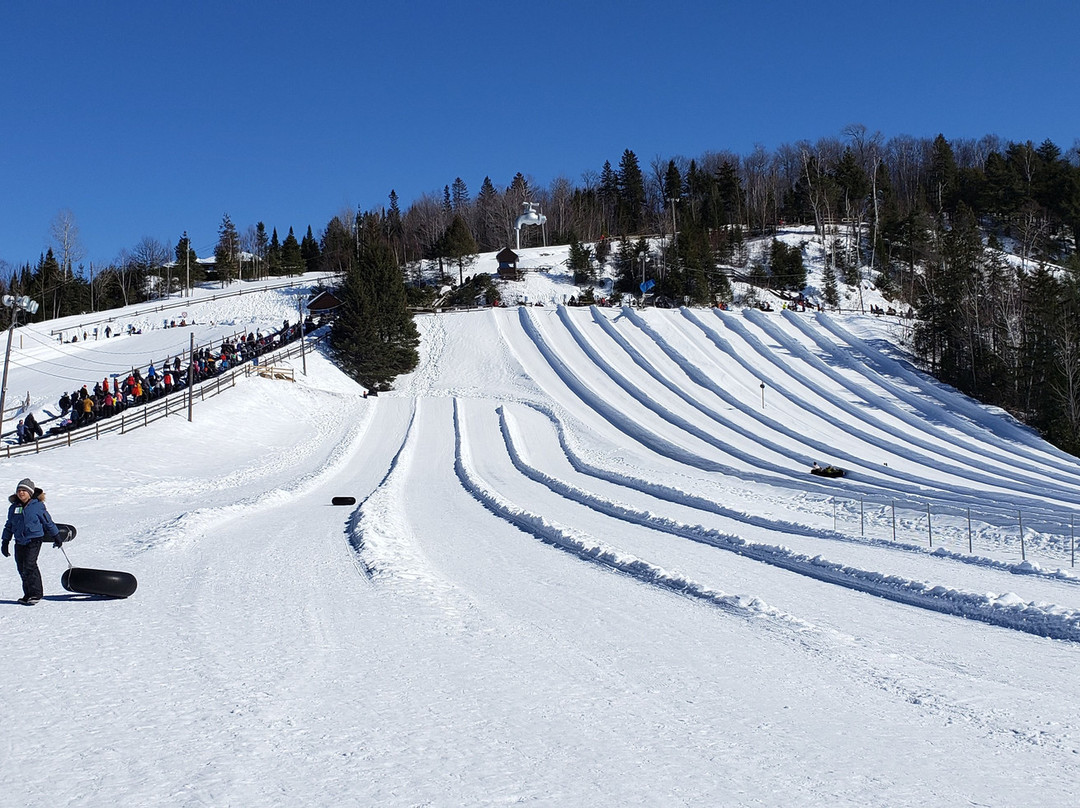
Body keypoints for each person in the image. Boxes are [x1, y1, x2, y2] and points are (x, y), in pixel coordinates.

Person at [1, 478, 61, 605]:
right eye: (19, 490)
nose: (21, 493)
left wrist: (56, 536)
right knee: (21, 567)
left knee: (29, 565)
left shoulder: (37, 506)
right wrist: (5, 541)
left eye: (24, 490)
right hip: (19, 540)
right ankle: (27, 594)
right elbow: (9, 525)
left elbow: (48, 522)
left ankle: (36, 593)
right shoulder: (14, 508)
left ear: (30, 492)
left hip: (34, 539)